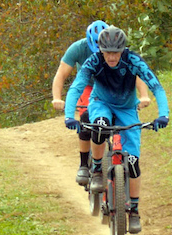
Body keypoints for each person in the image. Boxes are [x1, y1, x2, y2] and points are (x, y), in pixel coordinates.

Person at [63, 26, 170, 234]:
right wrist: (69, 115)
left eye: (116, 51)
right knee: (100, 126)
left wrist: (163, 114)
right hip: (101, 103)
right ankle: (96, 170)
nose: (111, 56)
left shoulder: (134, 61)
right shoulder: (94, 61)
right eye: (107, 51)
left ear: (123, 49)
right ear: (101, 50)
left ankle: (135, 211)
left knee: (133, 163)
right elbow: (77, 87)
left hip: (127, 109)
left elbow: (156, 87)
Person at [51, 20, 151, 186]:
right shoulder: (77, 48)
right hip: (89, 87)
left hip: (112, 88)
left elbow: (135, 75)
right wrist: (57, 98)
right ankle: (84, 165)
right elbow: (61, 75)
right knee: (86, 116)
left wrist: (144, 95)